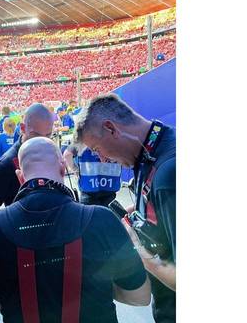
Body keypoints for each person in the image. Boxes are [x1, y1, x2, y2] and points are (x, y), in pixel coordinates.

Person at [0, 137, 151, 322]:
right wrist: (98, 288)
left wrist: (14, 297)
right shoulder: (103, 219)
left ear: (20, 177)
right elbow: (140, 297)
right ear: (63, 169)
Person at [73, 93, 176, 323]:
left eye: (97, 148)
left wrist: (139, 250)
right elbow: (158, 208)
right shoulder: (152, 151)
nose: (102, 159)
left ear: (111, 128)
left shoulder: (169, 172)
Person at [0, 103, 55, 223]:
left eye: (48, 135)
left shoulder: (51, 154)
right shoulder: (7, 165)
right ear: (23, 128)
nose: (42, 141)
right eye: (36, 135)